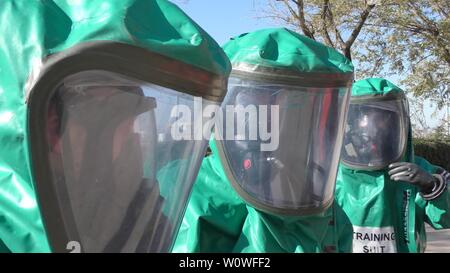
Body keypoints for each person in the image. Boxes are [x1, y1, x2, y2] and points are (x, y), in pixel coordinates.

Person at [0, 0, 230, 253]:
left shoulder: (137, 211)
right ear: (47, 125)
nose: (135, 139)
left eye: (130, 117)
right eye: (108, 114)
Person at [172, 28, 354, 253]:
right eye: (255, 105)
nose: (268, 122)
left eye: (282, 108)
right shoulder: (190, 194)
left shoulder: (318, 200)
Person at [335, 78, 450, 253]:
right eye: (364, 117)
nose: (372, 128)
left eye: (382, 119)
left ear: (399, 123)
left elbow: (445, 219)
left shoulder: (418, 170)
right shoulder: (334, 174)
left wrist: (431, 186)